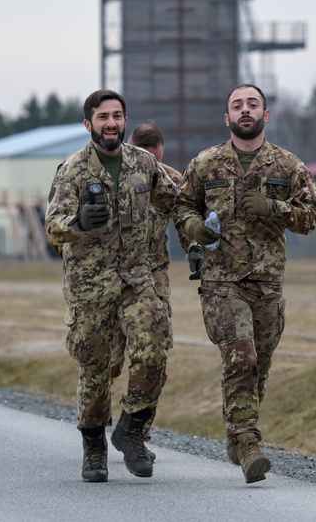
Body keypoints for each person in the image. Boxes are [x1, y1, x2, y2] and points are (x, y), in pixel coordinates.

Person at [174, 83, 316, 484]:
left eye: (252, 105)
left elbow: (313, 215)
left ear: (265, 115)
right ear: (227, 118)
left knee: (261, 365)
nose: (245, 111)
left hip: (267, 283)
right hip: (221, 281)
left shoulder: (287, 166)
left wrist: (276, 208)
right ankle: (248, 442)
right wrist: (193, 231)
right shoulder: (206, 164)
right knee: (242, 355)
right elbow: (182, 205)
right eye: (237, 105)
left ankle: (237, 435)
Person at [45, 90, 177, 483]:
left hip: (137, 280)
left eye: (117, 116)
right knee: (96, 370)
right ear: (89, 125)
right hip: (91, 287)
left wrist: (204, 228)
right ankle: (94, 447)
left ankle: (132, 430)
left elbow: (177, 202)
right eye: (103, 117)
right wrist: (79, 223)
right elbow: (53, 228)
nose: (111, 123)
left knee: (154, 348)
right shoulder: (73, 170)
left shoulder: (145, 164)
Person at [107, 122, 198, 449]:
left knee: (155, 351)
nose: (149, 166)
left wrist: (195, 251)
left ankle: (138, 426)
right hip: (112, 277)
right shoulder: (111, 174)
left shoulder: (170, 178)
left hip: (152, 277)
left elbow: (186, 219)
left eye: (154, 160)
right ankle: (98, 405)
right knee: (110, 358)